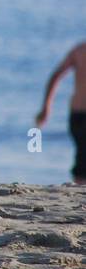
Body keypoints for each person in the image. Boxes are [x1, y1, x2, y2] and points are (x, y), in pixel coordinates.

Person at [36, 41, 86, 184]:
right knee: (82, 159)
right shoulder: (79, 50)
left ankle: (79, 190)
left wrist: (46, 107)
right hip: (79, 115)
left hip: (75, 113)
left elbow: (55, 76)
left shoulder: (79, 50)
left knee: (81, 157)